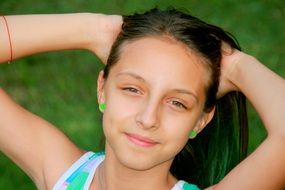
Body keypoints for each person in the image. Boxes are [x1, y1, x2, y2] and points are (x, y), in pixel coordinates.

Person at [0, 8, 284, 190]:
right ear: (103, 89)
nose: (148, 118)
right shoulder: (63, 174)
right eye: (133, 89)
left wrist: (236, 65)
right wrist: (94, 30)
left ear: (200, 120)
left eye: (177, 102)